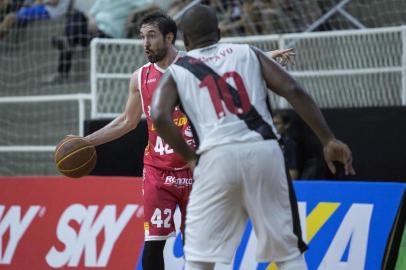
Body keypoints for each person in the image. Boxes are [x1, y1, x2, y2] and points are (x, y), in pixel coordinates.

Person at [82, 11, 296, 270]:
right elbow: (127, 121)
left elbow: (231, 64)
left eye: (151, 36)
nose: (145, 43)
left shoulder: (194, 64)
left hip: (197, 170)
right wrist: (87, 142)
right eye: (142, 37)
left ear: (170, 37)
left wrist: (270, 57)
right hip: (158, 171)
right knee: (153, 241)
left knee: (196, 247)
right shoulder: (139, 77)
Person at [151, 4, 355, 270]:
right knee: (288, 253)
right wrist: (328, 139)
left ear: (185, 40)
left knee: (200, 257)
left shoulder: (177, 71)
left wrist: (190, 157)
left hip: (215, 159)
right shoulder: (248, 52)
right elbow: (293, 89)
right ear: (219, 32)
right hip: (264, 152)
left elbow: (158, 116)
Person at [50, 0, 152, 82]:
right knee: (77, 15)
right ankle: (67, 42)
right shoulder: (102, 1)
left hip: (108, 34)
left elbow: (152, 5)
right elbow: (87, 13)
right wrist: (91, 19)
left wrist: (135, 12)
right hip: (92, 29)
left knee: (71, 36)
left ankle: (63, 65)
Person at [0, 0, 70, 39]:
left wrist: (41, 2)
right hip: (44, 8)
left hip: (48, 10)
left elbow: (54, 2)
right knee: (6, 8)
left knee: (10, 18)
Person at [273, 112, 299, 180]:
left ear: (286, 125)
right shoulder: (267, 142)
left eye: (277, 123)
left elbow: (293, 169)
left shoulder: (290, 144)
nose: (274, 126)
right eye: (273, 124)